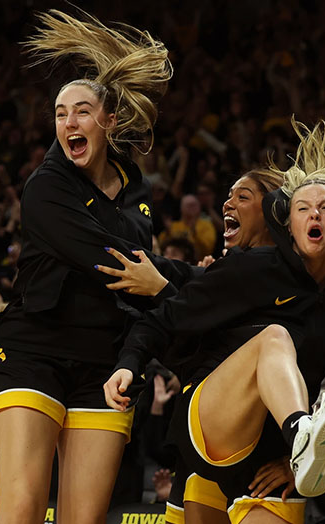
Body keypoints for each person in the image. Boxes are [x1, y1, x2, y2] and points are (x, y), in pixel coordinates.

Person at [105, 119, 325, 524]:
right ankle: (301, 436)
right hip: (212, 422)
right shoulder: (252, 268)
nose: (314, 213)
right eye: (302, 207)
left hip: (272, 458)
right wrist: (128, 362)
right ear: (290, 223)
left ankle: (301, 448)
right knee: (274, 338)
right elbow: (168, 317)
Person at [0, 10, 193, 524]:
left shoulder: (137, 185)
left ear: (110, 120)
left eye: (81, 111)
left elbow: (135, 254)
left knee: (86, 517)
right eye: (60, 114)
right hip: (31, 348)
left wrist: (158, 271)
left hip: (105, 358)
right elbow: (117, 262)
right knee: (22, 509)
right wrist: (177, 275)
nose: (68, 123)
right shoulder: (44, 188)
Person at [98, 166, 285, 524]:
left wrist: (159, 290)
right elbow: (175, 283)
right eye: (228, 195)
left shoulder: (276, 276)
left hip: (261, 455)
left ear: (273, 210)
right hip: (203, 443)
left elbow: (197, 334)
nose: (227, 202)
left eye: (242, 196)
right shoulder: (226, 271)